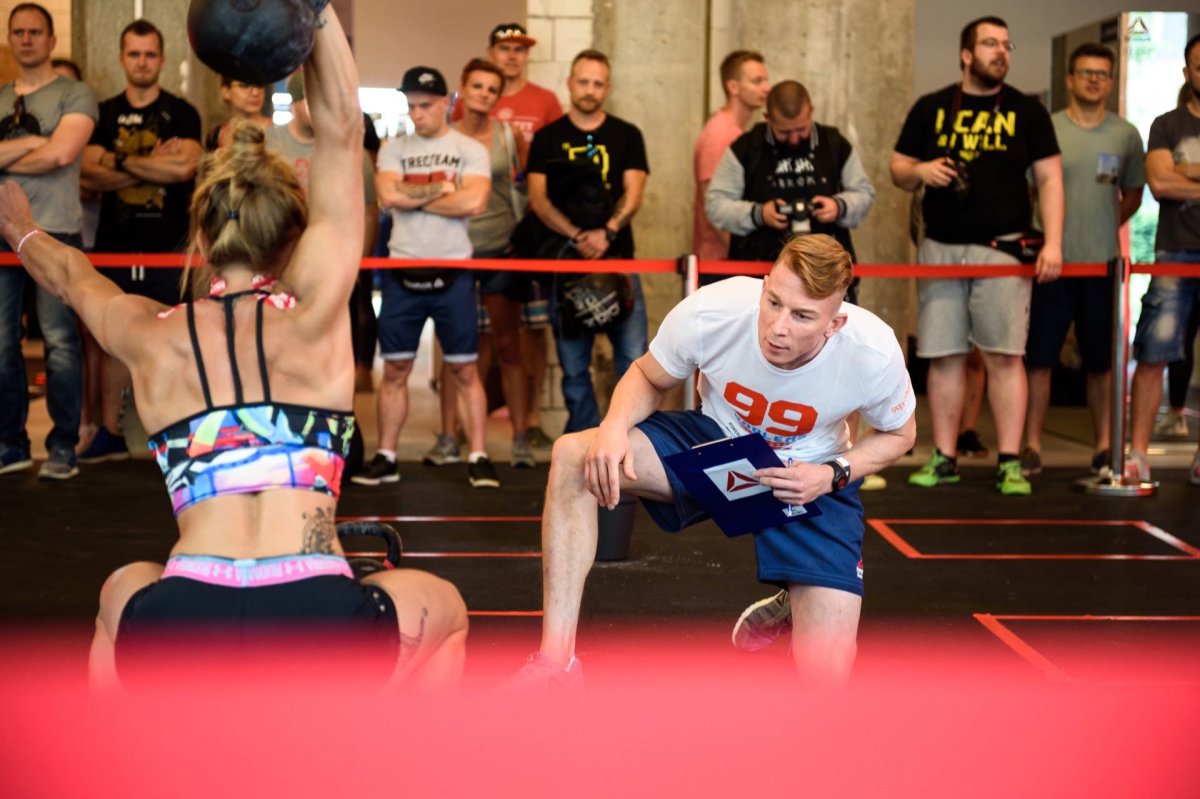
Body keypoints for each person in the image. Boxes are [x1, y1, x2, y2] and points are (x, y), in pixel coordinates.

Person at [0, 6, 467, 689]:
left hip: (186, 614)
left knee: (121, 587)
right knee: (446, 611)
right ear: (293, 237)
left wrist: (18, 227)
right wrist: (316, 11)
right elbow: (339, 129)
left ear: (202, 240)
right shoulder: (317, 314)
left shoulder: (150, 333)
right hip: (318, 612)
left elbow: (71, 275)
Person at [515, 235, 915, 687]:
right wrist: (611, 428)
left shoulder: (872, 352)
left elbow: (901, 435)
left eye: (802, 316)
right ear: (764, 286)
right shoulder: (715, 310)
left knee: (827, 678)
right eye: (774, 302)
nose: (778, 327)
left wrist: (832, 474)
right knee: (572, 454)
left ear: (834, 323)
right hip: (715, 442)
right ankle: (555, 667)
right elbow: (648, 375)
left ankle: (797, 599)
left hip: (807, 475)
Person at [890, 15, 1063, 496]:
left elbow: (1050, 179)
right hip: (940, 248)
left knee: (1005, 355)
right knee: (944, 356)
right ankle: (944, 456)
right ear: (967, 54)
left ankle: (1009, 460)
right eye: (990, 44)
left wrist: (1054, 242)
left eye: (1006, 44)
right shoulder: (932, 106)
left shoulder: (1027, 113)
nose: (1001, 52)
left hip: (1004, 249)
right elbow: (898, 169)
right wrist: (922, 169)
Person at [355, 66, 497, 489]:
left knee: (465, 371)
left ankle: (478, 455)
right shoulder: (393, 149)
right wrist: (442, 190)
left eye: (425, 106)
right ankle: (388, 455)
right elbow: (389, 195)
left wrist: (415, 197)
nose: (417, 114)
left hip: (453, 270)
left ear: (445, 104)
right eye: (411, 106)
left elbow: (474, 202)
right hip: (403, 271)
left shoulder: (470, 148)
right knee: (395, 369)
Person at [78, 18, 203, 465]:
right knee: (114, 340)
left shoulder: (182, 112)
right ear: (121, 58)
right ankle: (110, 432)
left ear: (162, 59)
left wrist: (115, 162)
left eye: (150, 54)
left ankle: (176, 434)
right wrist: (152, 161)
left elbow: (184, 169)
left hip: (170, 247)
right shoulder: (103, 112)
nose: (142, 62)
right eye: (134, 54)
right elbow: (86, 171)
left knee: (175, 339)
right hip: (116, 243)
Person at [1020, 43, 1144, 477]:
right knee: (1039, 358)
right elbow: (1032, 194)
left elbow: (1131, 196)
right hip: (1049, 263)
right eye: (1086, 72)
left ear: (1110, 81)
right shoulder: (1047, 129)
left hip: (1102, 264)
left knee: (1102, 360)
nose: (1094, 79)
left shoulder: (1126, 134)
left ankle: (1104, 445)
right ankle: (1031, 445)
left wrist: (1104, 225)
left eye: (1102, 74)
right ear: (1069, 79)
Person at [524, 49, 649, 434]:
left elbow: (635, 191)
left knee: (633, 360)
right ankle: (582, 444)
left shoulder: (626, 135)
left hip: (620, 261)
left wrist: (607, 232)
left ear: (606, 87)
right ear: (570, 83)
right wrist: (579, 236)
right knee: (574, 368)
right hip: (568, 267)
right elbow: (538, 200)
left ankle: (628, 440)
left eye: (598, 83)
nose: (590, 90)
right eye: (583, 81)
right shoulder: (548, 138)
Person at [0, 2, 98, 480]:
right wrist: (32, 145)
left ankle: (63, 447)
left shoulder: (74, 93)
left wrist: (9, 155)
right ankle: (11, 445)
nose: (26, 39)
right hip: (2, 234)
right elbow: (50, 149)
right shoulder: (0, 96)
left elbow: (63, 152)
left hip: (56, 228)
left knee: (61, 343)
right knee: (2, 344)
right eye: (18, 31)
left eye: (35, 31)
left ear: (51, 39)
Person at [457, 22, 565, 450]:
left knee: (530, 331)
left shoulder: (545, 100)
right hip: (467, 240)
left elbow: (549, 163)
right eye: (505, 47)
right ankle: (471, 419)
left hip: (518, 234)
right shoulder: (468, 104)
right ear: (491, 50)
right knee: (473, 334)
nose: (513, 55)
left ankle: (533, 417)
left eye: (520, 49)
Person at [447, 57, 535, 468]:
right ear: (463, 88)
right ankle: (450, 437)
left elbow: (524, 187)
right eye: (477, 86)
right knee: (459, 351)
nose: (484, 94)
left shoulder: (508, 135)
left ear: (499, 97)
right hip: (455, 252)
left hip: (502, 249)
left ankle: (520, 438)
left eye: (491, 89)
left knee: (507, 345)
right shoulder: (444, 137)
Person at [1127, 33, 1200, 485]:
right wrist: (1174, 175)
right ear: (1188, 72)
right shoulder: (1166, 124)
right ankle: (1136, 455)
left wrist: (1186, 171)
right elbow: (1160, 184)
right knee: (1154, 353)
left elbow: (1176, 178)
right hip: (1174, 254)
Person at [705, 80, 875, 270]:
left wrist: (839, 206)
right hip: (758, 273)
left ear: (811, 110)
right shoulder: (745, 149)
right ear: (767, 117)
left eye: (801, 129)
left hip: (827, 272)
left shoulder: (834, 144)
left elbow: (864, 193)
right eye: (784, 132)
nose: (794, 139)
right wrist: (758, 214)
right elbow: (715, 205)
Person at [693, 50, 768, 263]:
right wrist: (740, 258)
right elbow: (714, 205)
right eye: (757, 81)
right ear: (733, 87)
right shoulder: (720, 135)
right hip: (721, 262)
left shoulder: (734, 132)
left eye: (765, 80)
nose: (766, 87)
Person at [203, 75, 269, 152]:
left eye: (260, 85)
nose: (255, 92)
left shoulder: (278, 132)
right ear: (226, 91)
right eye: (244, 86)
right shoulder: (216, 136)